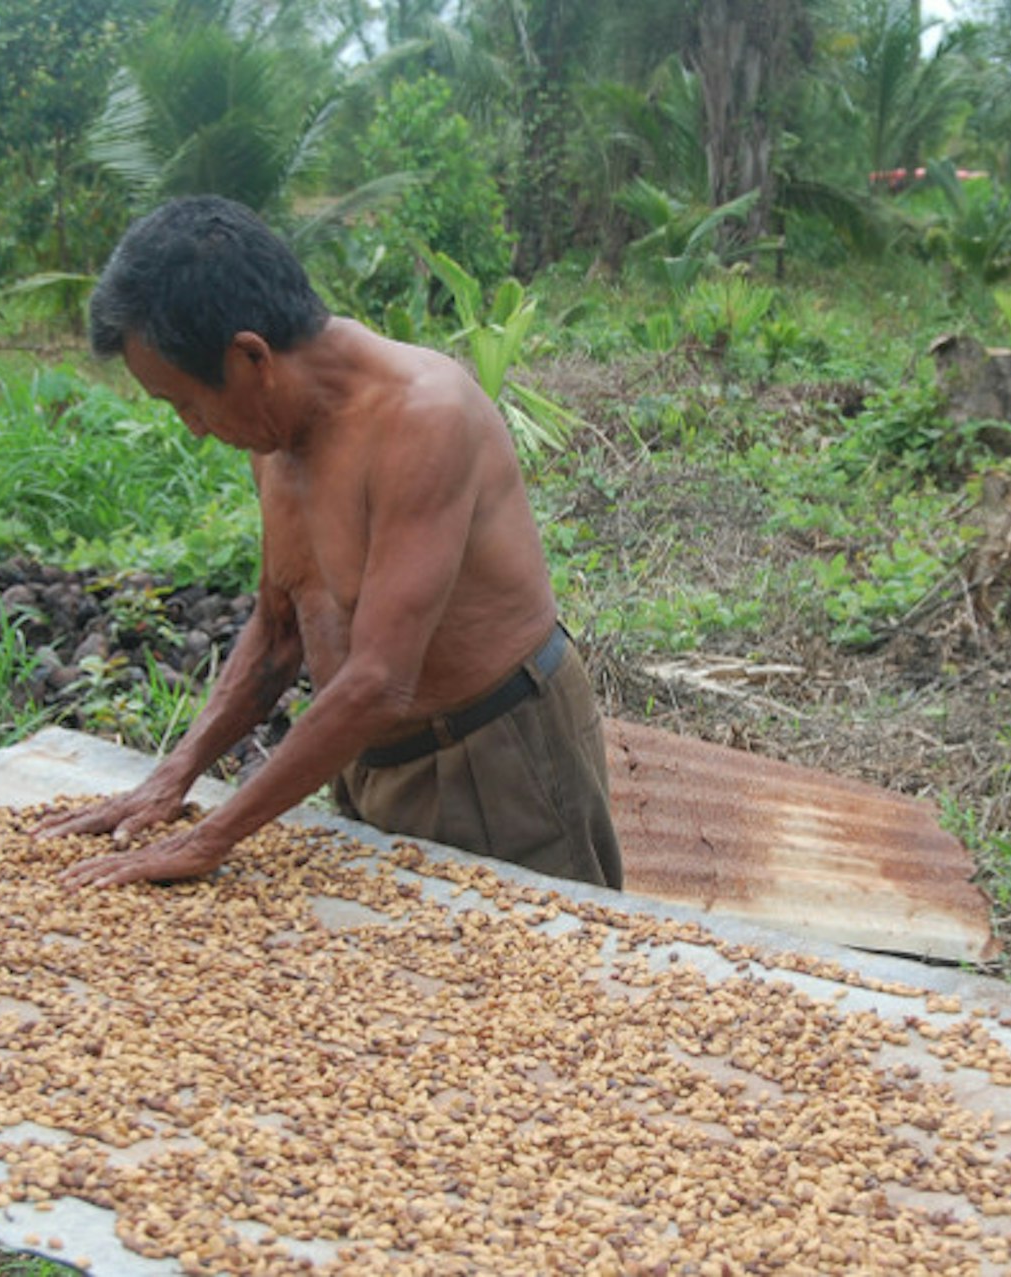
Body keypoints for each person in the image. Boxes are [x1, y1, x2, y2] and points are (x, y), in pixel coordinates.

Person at [38, 196, 621, 891]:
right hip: (363, 761)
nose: (193, 428)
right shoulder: (273, 430)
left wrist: (211, 837)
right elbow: (281, 629)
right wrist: (172, 777)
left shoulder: (425, 417)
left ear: (251, 357)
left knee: (537, 982)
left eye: (188, 403)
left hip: (495, 761)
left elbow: (380, 680)